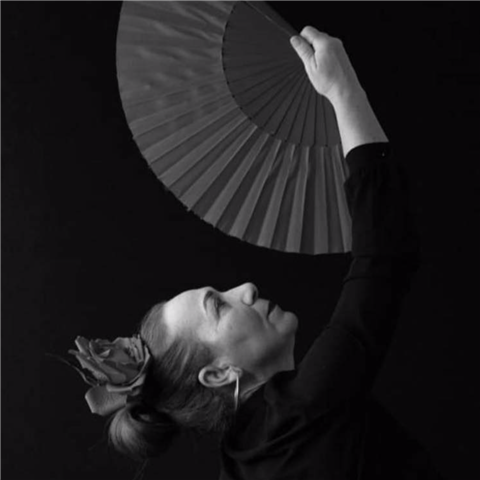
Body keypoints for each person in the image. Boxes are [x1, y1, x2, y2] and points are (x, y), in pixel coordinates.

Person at [64, 26, 445, 480]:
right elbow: (383, 259)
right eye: (219, 306)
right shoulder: (304, 407)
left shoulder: (239, 465)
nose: (245, 288)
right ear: (219, 374)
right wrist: (343, 90)